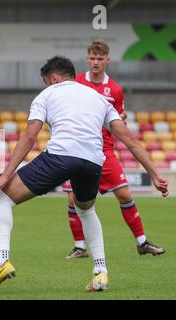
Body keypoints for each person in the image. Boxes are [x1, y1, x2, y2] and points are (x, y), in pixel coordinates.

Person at [0, 56, 169, 294]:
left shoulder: (47, 95)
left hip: (60, 156)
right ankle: (100, 272)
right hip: (93, 161)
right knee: (86, 209)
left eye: (47, 81)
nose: (47, 86)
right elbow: (129, 140)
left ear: (55, 78)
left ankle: (1, 262)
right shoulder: (99, 98)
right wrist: (154, 174)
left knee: (3, 198)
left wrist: (6, 175)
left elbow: (30, 136)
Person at [63, 39, 165, 259]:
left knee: (124, 194)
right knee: (72, 199)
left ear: (107, 59)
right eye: (92, 58)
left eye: (100, 58)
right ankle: (80, 247)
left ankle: (142, 242)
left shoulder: (116, 89)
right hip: (77, 147)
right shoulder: (77, 82)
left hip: (104, 150)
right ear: (87, 58)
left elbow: (118, 120)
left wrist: (121, 118)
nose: (95, 62)